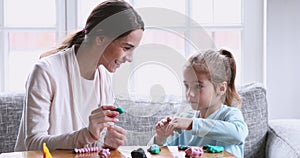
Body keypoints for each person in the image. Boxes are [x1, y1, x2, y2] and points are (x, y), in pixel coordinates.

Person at [15, 0, 144, 151]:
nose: (129, 58)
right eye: (126, 48)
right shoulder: (45, 72)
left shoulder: (104, 77)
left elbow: (86, 145)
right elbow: (34, 144)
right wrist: (87, 135)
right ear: (100, 39)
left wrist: (104, 142)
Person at [149, 49, 248, 158]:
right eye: (187, 86)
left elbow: (239, 134)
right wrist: (160, 138)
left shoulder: (229, 115)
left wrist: (192, 124)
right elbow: (159, 153)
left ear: (221, 88)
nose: (190, 93)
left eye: (198, 86)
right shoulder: (185, 120)